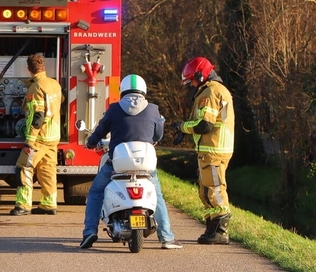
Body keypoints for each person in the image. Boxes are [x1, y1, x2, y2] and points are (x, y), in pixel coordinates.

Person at [78, 75, 181, 250]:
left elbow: (100, 131)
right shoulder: (153, 110)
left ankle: (89, 232)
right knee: (158, 196)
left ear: (123, 90)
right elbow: (158, 135)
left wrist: (90, 142)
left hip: (118, 163)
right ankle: (166, 238)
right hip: (146, 166)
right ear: (144, 90)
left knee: (96, 192)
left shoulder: (114, 109)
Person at [180, 56, 236, 244]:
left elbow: (205, 125)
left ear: (200, 75)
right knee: (206, 189)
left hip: (213, 149)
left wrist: (182, 127)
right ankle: (213, 227)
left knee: (214, 189)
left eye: (192, 80)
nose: (191, 84)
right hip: (213, 149)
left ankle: (221, 231)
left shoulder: (210, 93)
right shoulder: (216, 90)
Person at [10, 53, 62, 216]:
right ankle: (49, 204)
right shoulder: (54, 84)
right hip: (53, 137)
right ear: (43, 67)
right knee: (47, 169)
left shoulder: (36, 88)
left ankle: (23, 206)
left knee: (24, 167)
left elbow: (37, 116)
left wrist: (29, 141)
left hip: (39, 138)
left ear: (28, 69)